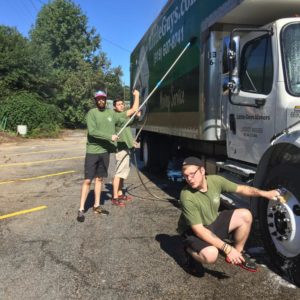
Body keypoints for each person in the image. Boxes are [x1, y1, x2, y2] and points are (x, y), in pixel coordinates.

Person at [177, 156, 282, 272]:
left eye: (192, 174)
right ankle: (187, 250)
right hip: (193, 231)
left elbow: (242, 189)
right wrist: (227, 248)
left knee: (245, 215)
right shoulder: (186, 196)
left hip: (211, 222)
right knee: (211, 255)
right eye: (186, 176)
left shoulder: (215, 181)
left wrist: (265, 194)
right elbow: (199, 231)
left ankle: (238, 254)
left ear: (202, 170)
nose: (189, 179)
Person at [77, 89, 140, 222]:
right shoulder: (92, 113)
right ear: (96, 100)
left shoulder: (111, 113)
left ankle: (97, 205)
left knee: (99, 179)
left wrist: (137, 96)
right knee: (88, 180)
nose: (101, 100)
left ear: (106, 100)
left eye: (103, 98)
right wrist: (109, 136)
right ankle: (81, 209)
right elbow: (93, 132)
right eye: (98, 98)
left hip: (104, 152)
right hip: (92, 151)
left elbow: (131, 110)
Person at [111, 98, 141, 207]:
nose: (121, 106)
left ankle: (119, 194)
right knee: (119, 173)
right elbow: (134, 108)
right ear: (114, 107)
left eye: (122, 104)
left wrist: (137, 117)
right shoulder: (117, 116)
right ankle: (114, 198)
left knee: (123, 173)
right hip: (121, 149)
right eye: (118, 104)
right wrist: (137, 95)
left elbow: (131, 121)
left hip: (126, 148)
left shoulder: (124, 117)